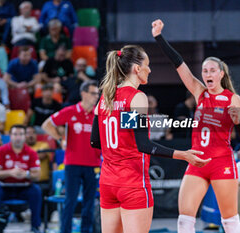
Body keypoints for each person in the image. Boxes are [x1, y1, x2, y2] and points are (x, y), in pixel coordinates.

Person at [90, 45, 210, 233]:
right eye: (148, 65)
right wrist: (183, 155)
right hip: (132, 182)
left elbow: (95, 142)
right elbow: (143, 145)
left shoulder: (106, 96)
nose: (150, 69)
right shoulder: (137, 97)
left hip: (108, 182)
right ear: (137, 69)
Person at [152, 19, 240, 233]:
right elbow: (179, 64)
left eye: (212, 71)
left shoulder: (232, 99)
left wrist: (237, 122)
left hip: (221, 160)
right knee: (184, 220)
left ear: (221, 74)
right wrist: (159, 37)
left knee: (230, 220)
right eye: (204, 71)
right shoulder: (199, 92)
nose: (207, 75)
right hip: (197, 160)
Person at [42, 80, 101, 233]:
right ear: (83, 94)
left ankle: (86, 231)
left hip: (93, 164)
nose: (97, 96)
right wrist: (60, 138)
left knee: (90, 203)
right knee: (70, 201)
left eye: (97, 93)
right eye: (93, 93)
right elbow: (46, 124)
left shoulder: (99, 114)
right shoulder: (70, 111)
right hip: (73, 163)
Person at [0, 124, 42, 233]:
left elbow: (37, 175)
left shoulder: (31, 152)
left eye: (21, 134)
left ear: (25, 136)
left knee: (36, 190)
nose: (18, 137)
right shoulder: (1, 151)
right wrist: (10, 173)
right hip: (4, 187)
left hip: (25, 187)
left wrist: (26, 174)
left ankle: (35, 227)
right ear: (10, 136)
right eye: (15, 134)